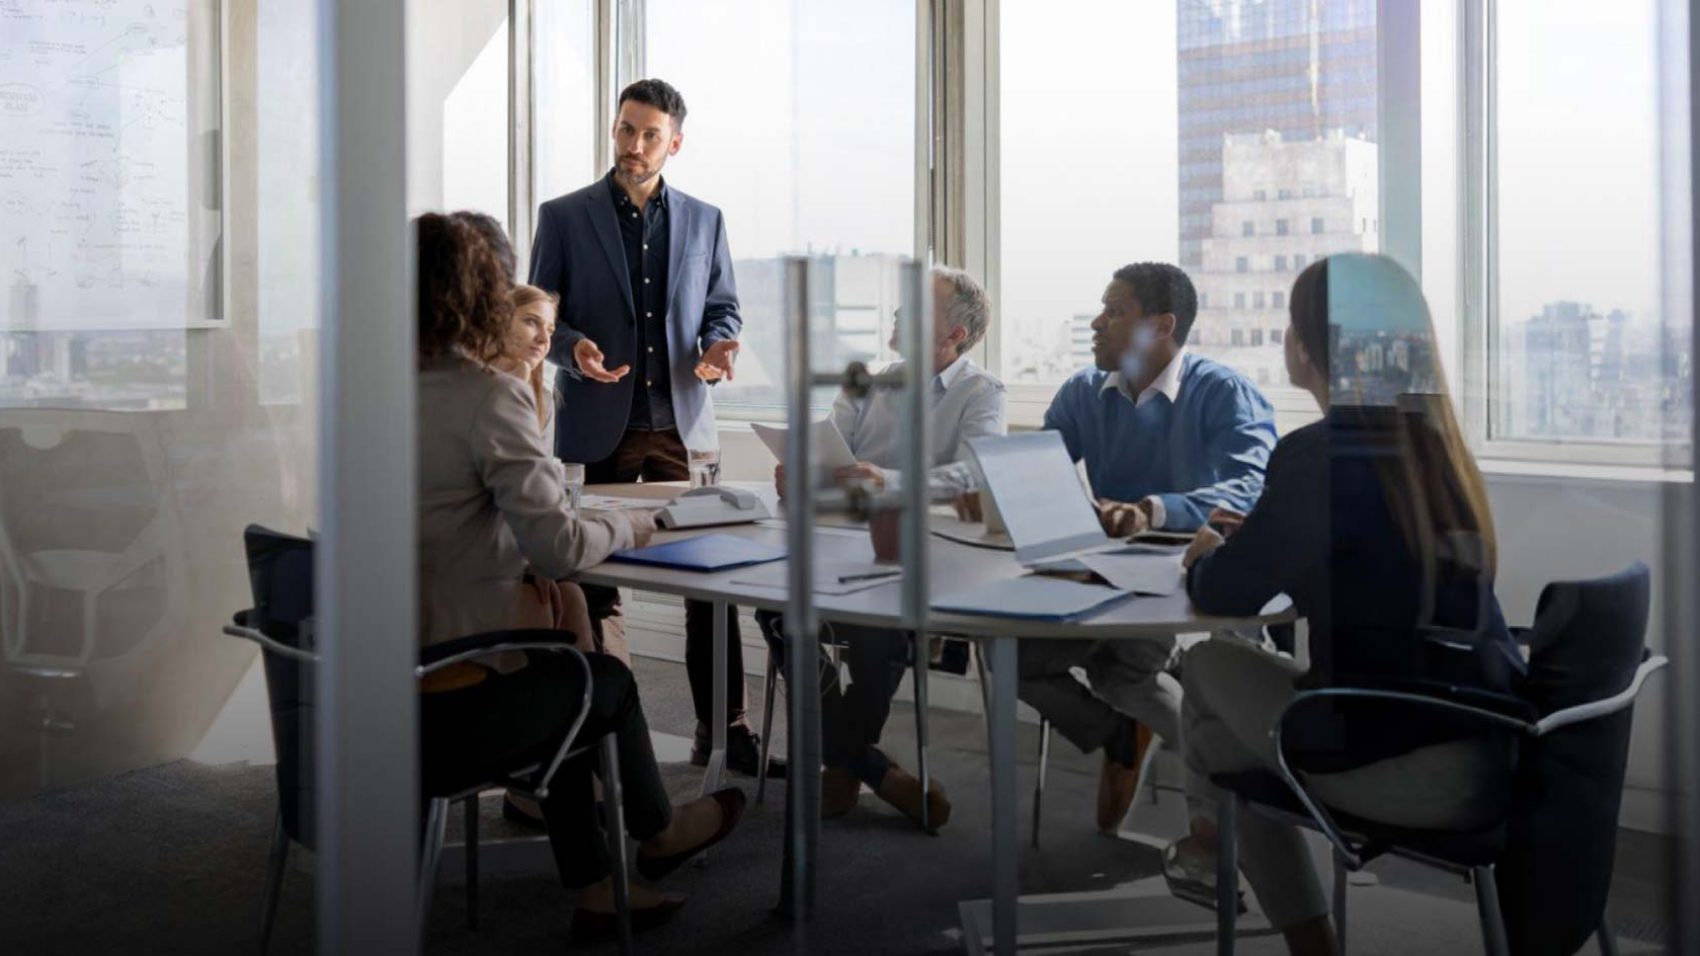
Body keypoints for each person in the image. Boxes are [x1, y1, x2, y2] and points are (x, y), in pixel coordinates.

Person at [1167, 254, 1524, 956]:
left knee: (1208, 667)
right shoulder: (1436, 449)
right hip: (1495, 748)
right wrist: (1270, 535)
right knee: (1223, 744)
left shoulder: (1318, 456)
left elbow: (1223, 595)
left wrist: (1207, 548)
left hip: (1399, 763)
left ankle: (1222, 858)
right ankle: (1226, 862)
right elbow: (1359, 555)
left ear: (1305, 348)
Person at [414, 212, 745, 940]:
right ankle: (657, 833)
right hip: (449, 704)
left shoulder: (367, 394)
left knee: (563, 659)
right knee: (606, 682)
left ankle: (597, 887)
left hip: (366, 686)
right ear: (480, 293)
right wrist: (632, 524)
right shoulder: (485, 396)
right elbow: (562, 546)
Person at [528, 78, 780, 778]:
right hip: (597, 425)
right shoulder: (563, 216)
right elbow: (536, 317)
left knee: (711, 581)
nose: (633, 146)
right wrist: (568, 344)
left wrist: (721, 344)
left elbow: (722, 309)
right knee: (594, 584)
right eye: (624, 130)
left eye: (648, 134)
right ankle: (612, 737)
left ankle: (724, 733)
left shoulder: (706, 220)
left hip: (680, 427)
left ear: (675, 141)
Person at [1017, 262, 1277, 833]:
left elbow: (1251, 488)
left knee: (1124, 674)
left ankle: (1220, 812)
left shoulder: (1223, 391)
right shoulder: (1083, 392)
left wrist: (1153, 510)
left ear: (1162, 326)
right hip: (1103, 572)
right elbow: (1038, 470)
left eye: (1115, 311)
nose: (1096, 322)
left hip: (1188, 577)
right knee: (1011, 657)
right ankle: (1118, 733)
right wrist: (994, 488)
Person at [760, 266, 1004, 828]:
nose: (897, 313)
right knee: (774, 605)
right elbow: (830, 450)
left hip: (919, 554)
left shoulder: (981, 392)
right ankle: (863, 763)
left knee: (874, 625)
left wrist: (888, 481)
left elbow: (976, 475)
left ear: (953, 337)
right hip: (839, 539)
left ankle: (844, 765)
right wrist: (799, 471)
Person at [494, 283, 560, 442]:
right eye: (531, 321)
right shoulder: (466, 384)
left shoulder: (543, 400)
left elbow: (540, 466)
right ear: (500, 321)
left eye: (550, 330)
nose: (544, 339)